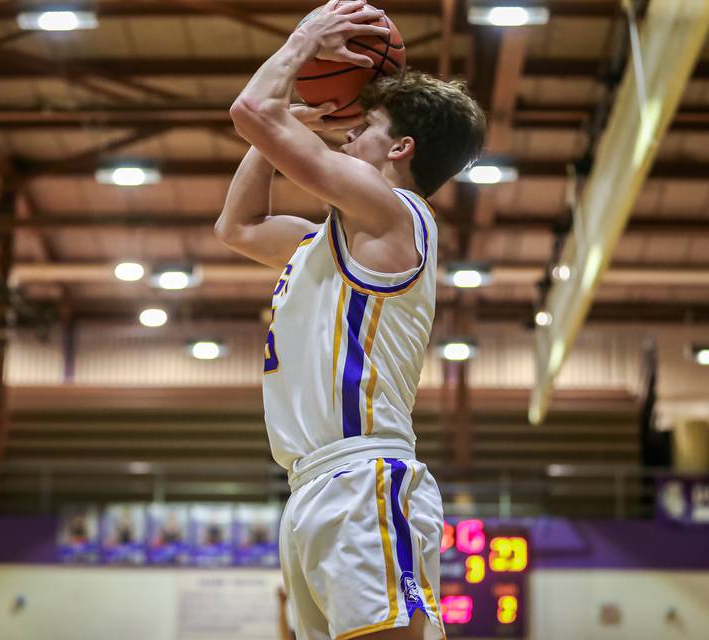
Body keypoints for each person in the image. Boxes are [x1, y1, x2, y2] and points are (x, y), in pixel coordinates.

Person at [215, 1, 485, 638]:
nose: (345, 134)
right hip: (311, 483)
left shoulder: (396, 212)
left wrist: (304, 42)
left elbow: (250, 110)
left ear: (400, 147)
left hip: (363, 475)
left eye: (363, 126)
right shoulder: (325, 242)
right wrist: (278, 134)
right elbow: (238, 227)